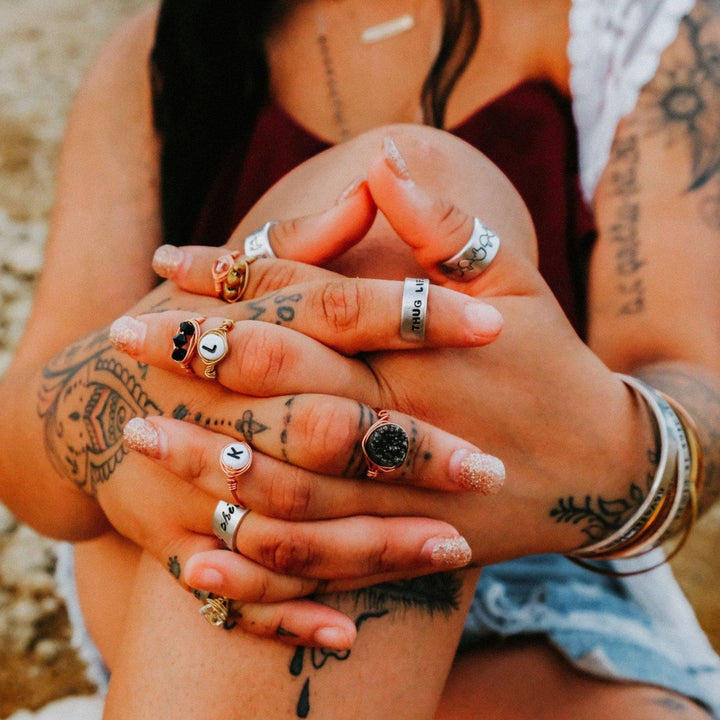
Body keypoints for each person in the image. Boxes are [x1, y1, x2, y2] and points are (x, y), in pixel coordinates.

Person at [1, 0, 720, 718]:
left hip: (534, 593)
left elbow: (696, 384)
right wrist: (153, 384)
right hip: (191, 588)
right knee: (392, 229)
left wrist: (611, 448)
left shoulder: (634, 30)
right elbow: (22, 453)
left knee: (407, 212)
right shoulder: (163, 57)